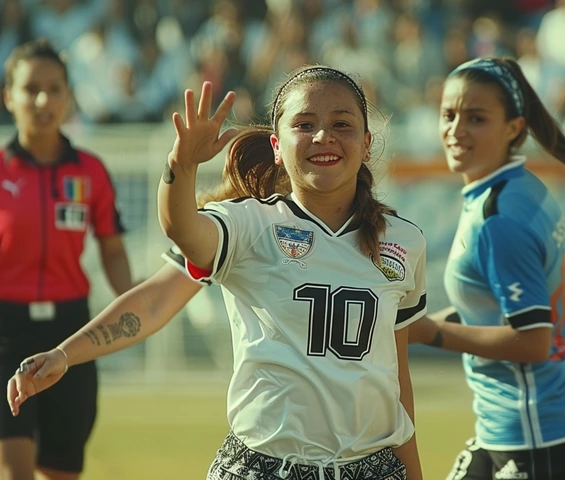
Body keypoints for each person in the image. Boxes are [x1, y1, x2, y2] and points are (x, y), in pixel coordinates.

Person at [9, 65, 427, 480]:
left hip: (373, 468)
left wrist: (413, 472)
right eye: (304, 124)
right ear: (277, 146)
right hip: (263, 467)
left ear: (368, 142)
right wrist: (181, 166)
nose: (323, 136)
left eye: (342, 123)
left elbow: (396, 379)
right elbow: (172, 254)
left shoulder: (405, 243)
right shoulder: (248, 225)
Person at [408, 57, 565, 480]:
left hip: (540, 439)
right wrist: (412, 328)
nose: (456, 130)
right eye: (448, 114)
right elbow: (495, 310)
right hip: (521, 430)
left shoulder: (499, 217)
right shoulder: (515, 189)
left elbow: (533, 340)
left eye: (476, 118)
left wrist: (431, 334)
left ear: (514, 128)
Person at [0, 39, 134, 480]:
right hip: (5, 331)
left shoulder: (90, 171)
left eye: (55, 88)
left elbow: (112, 250)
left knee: (61, 470)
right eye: (31, 88)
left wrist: (135, 302)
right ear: (9, 96)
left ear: (68, 95)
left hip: (70, 334)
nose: (43, 100)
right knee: (16, 469)